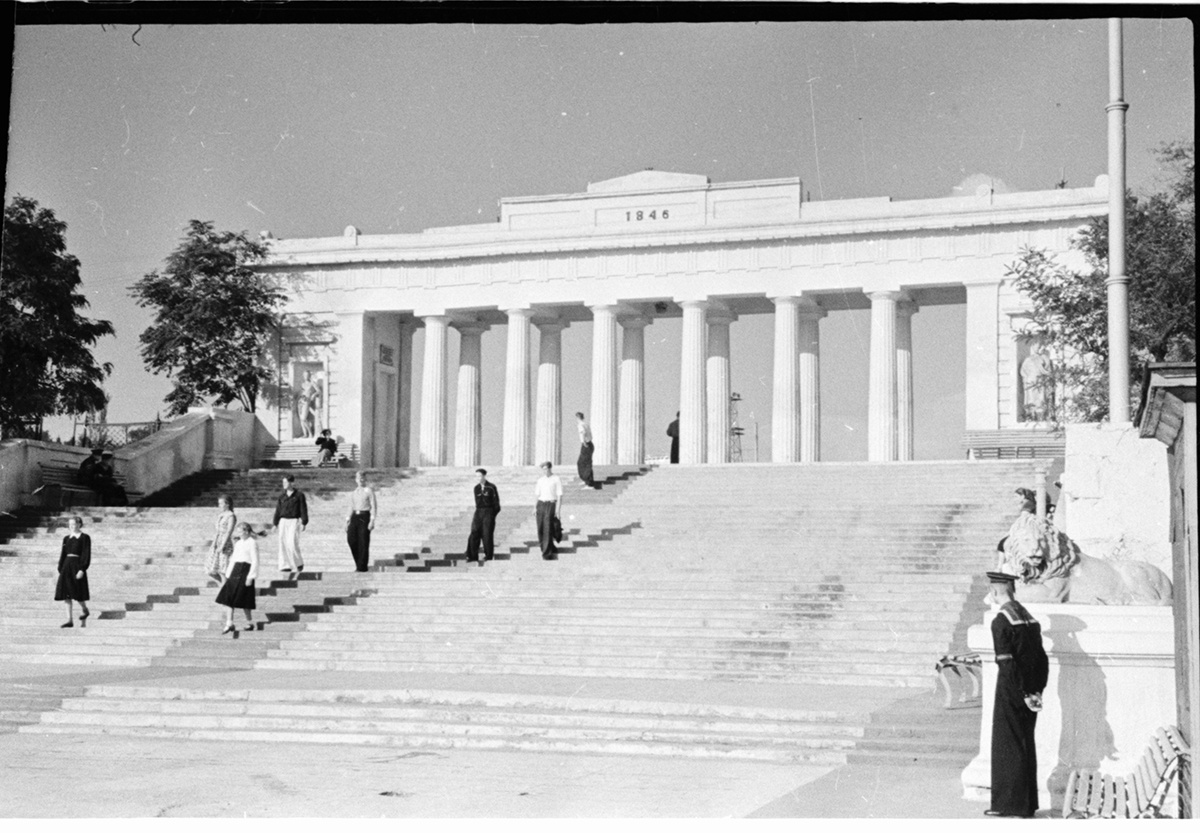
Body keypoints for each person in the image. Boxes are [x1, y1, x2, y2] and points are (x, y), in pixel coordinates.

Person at [985, 570, 1049, 818]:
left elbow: (1007, 664)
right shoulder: (1031, 620)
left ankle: (1008, 805)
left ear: (994, 592)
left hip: (1011, 691)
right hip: (1032, 690)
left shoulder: (1000, 622)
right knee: (1024, 744)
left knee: (1007, 746)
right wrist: (1036, 691)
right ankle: (1027, 805)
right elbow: (1042, 660)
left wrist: (1022, 692)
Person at [216, 522, 259, 634]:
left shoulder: (252, 542)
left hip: (246, 571)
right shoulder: (239, 543)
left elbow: (255, 560)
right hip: (235, 571)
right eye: (238, 531)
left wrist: (251, 576)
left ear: (246, 531)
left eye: (240, 531)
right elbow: (234, 558)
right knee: (228, 598)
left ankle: (250, 623)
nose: (238, 533)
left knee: (245, 600)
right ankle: (229, 623)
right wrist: (228, 574)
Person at [55, 516, 91, 628]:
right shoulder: (66, 538)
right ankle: (69, 620)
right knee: (66, 594)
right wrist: (60, 568)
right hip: (66, 566)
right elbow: (63, 554)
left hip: (77, 566)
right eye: (70, 524)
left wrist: (82, 569)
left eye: (74, 524)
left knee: (77, 593)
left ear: (79, 524)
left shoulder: (85, 537)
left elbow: (86, 553)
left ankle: (85, 609)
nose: (72, 526)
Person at [272, 474, 308, 577]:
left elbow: (303, 509)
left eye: (286, 482)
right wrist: (275, 523)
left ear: (292, 483)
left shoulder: (299, 495)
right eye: (283, 482)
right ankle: (285, 565)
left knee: (292, 543)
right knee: (282, 543)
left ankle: (298, 563)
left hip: (294, 521)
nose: (284, 484)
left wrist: (304, 522)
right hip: (283, 521)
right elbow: (278, 510)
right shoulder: (281, 496)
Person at [465, 468, 501, 566]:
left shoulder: (491, 487)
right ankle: (472, 556)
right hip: (478, 512)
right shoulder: (476, 488)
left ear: (484, 476)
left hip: (489, 512)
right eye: (476, 476)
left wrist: (491, 515)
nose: (478, 478)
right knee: (474, 532)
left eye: (479, 476)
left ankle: (488, 556)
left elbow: (497, 504)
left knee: (487, 534)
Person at [345, 469, 377, 572]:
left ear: (365, 479)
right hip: (355, 516)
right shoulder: (354, 493)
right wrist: (347, 520)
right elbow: (350, 506)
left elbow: (373, 506)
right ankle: (358, 563)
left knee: (363, 541)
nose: (361, 480)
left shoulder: (369, 491)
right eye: (359, 478)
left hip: (364, 516)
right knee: (351, 539)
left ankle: (362, 567)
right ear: (356, 480)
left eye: (362, 478)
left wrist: (372, 520)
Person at [534, 461, 563, 560]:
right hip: (541, 504)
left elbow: (559, 496)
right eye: (543, 469)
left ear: (550, 468)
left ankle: (546, 553)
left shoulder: (556, 479)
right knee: (540, 528)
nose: (545, 471)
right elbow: (537, 495)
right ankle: (547, 548)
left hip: (551, 504)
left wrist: (558, 510)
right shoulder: (540, 480)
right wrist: (534, 507)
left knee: (547, 528)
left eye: (546, 469)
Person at [205, 495, 237, 583]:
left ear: (227, 504)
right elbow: (217, 531)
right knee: (211, 570)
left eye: (221, 503)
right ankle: (228, 588)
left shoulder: (231, 516)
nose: (219, 505)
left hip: (225, 543)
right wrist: (214, 543)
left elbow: (228, 532)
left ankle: (225, 590)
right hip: (217, 541)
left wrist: (222, 545)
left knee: (222, 571)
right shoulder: (221, 515)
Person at [575, 412, 597, 489]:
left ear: (577, 418)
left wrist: (584, 442)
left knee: (582, 463)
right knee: (586, 463)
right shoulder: (586, 424)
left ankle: (589, 483)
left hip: (586, 444)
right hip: (590, 444)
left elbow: (583, 432)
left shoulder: (580, 425)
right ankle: (587, 480)